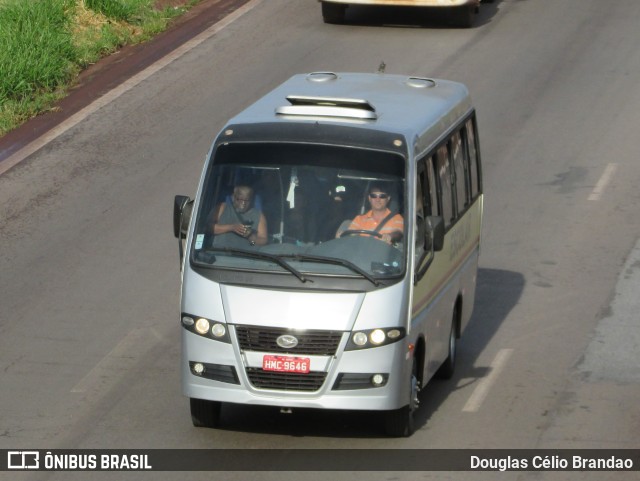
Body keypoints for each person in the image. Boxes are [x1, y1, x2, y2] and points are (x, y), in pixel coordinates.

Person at [339, 184, 403, 244]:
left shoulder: (396, 218)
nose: (377, 199)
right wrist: (343, 235)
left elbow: (398, 233)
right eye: (374, 196)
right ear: (369, 198)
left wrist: (390, 236)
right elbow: (350, 236)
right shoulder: (359, 219)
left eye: (382, 196)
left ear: (388, 198)